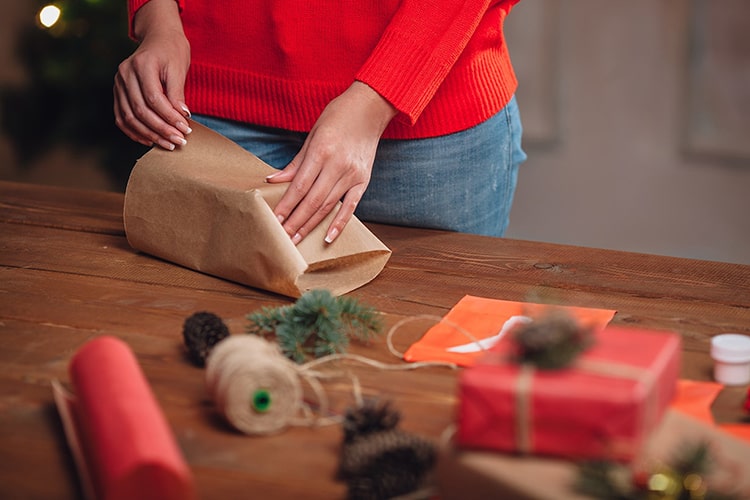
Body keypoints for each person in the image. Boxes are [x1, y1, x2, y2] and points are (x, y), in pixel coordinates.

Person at [114, 0, 526, 245]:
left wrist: (375, 100)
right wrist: (159, 20)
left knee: (429, 366)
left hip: (424, 129)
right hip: (212, 109)